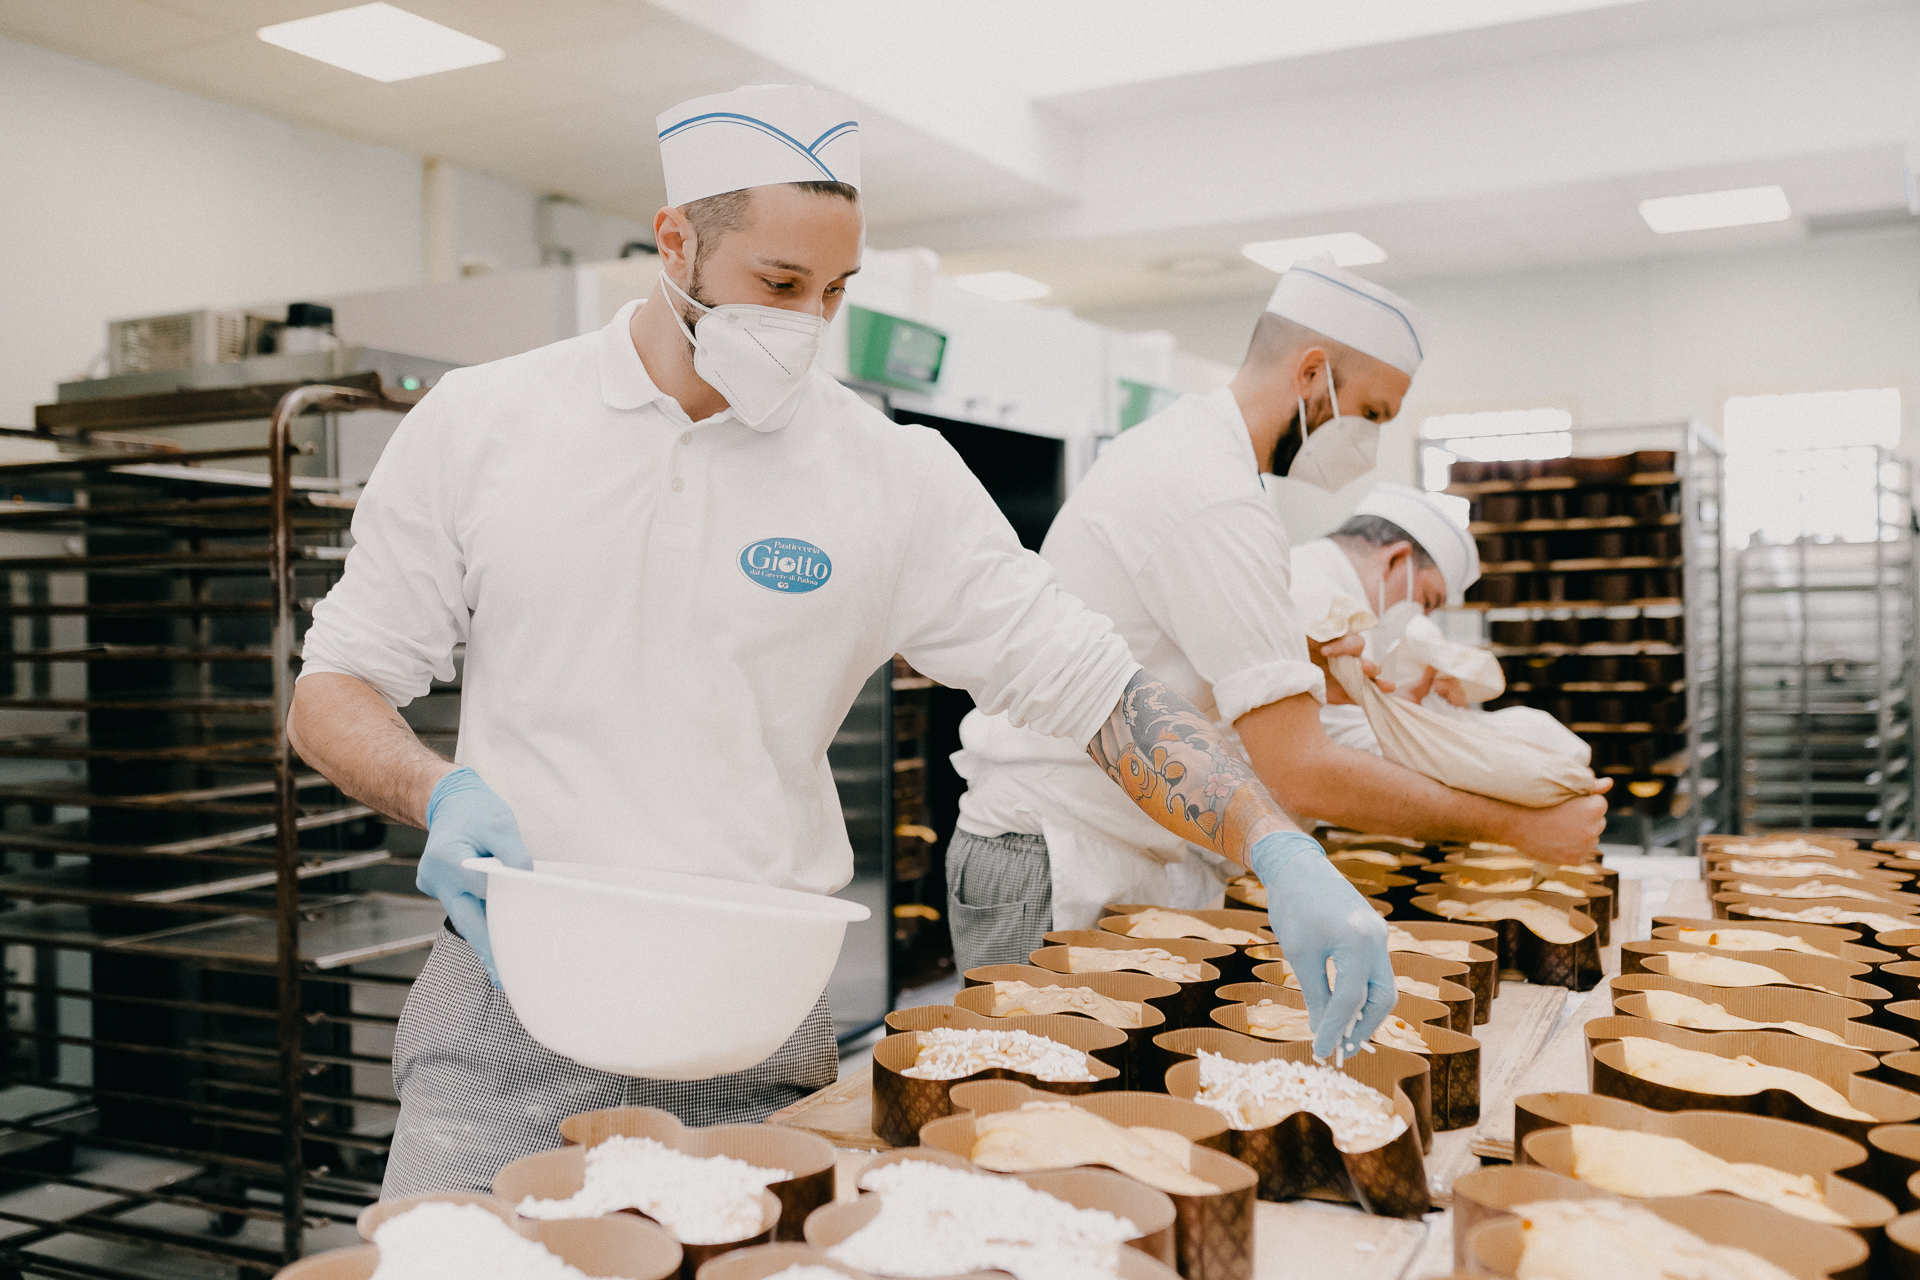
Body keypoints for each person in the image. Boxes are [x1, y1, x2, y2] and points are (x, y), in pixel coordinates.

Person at [287, 86, 1395, 1199]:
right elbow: (333, 688)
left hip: (753, 1029)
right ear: (674, 242)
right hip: (510, 1009)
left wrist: (1275, 845)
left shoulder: (886, 475)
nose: (807, 323)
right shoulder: (485, 426)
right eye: (778, 284)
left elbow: (1101, 689)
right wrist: (438, 791)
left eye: (834, 290)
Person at [948, 261, 1611, 973]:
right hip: (1051, 854)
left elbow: (1181, 661)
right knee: (1032, 1080)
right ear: (1312, 373)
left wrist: (1318, 663)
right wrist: (1518, 826)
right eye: (1374, 414)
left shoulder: (1198, 460)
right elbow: (1301, 773)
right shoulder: (1213, 493)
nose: (1370, 442)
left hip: (1095, 846)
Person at [1291, 484, 1483, 753]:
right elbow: (1340, 746)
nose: (1420, 617)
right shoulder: (1319, 601)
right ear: (1396, 559)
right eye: (1426, 601)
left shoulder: (1323, 579)